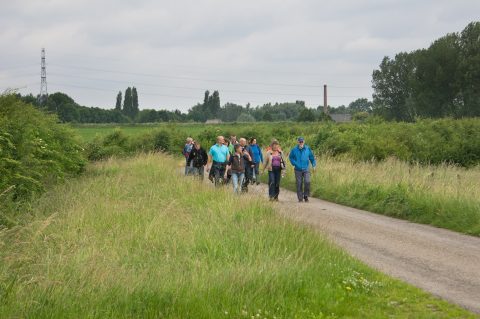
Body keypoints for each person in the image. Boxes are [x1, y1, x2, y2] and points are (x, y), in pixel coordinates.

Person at [289, 137, 316, 202]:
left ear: (304, 142)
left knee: (307, 181)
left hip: (306, 168)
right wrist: (294, 163)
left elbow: (311, 157)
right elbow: (291, 157)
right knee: (299, 183)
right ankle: (300, 198)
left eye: (302, 142)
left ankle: (306, 196)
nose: (301, 143)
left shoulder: (307, 148)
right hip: (298, 169)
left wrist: (314, 165)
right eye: (300, 142)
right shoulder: (294, 149)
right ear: (297, 142)